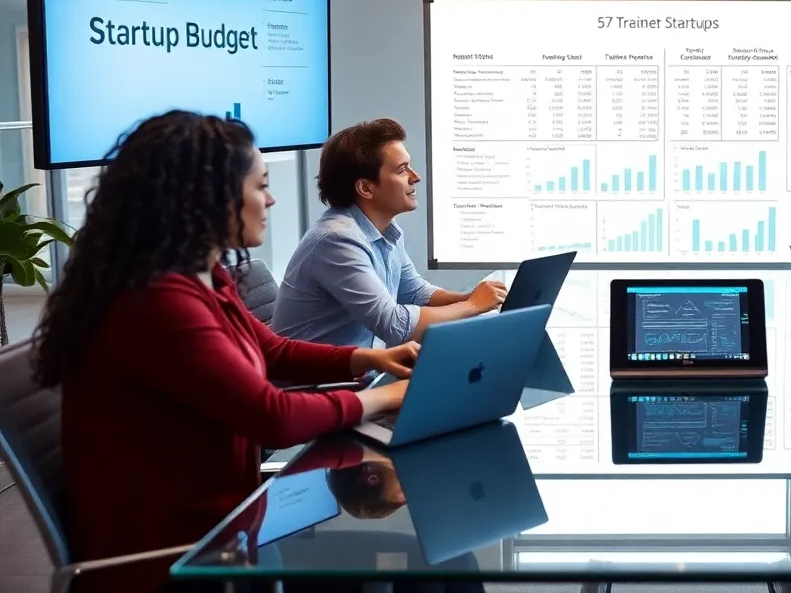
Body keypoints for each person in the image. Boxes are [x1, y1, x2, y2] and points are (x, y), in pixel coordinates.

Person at [30, 111, 414, 592]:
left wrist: (369, 361)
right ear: (210, 198)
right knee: (418, 570)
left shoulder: (204, 275)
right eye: (261, 185)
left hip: (228, 525)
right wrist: (382, 398)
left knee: (433, 571)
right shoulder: (158, 302)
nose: (271, 199)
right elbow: (270, 417)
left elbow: (272, 349)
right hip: (176, 558)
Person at [271, 118, 506, 349]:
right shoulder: (336, 241)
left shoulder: (386, 232)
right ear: (366, 188)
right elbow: (395, 326)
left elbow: (415, 292)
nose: (415, 177)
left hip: (357, 375)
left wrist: (471, 299)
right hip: (316, 384)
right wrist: (474, 305)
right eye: (402, 169)